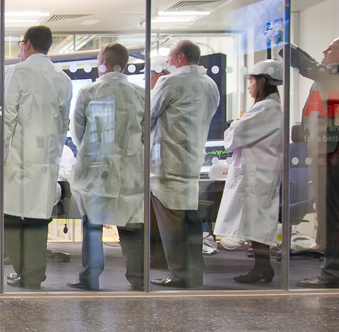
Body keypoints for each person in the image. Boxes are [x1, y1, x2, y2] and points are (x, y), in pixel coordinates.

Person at [0, 25, 72, 289]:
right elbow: (64, 123)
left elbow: (6, 118)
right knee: (38, 219)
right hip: (47, 160)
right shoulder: (63, 79)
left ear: (26, 44)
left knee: (11, 217)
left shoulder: (18, 72)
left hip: (19, 158)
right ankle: (34, 274)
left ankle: (23, 270)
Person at [282, 36, 339, 288]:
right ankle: (334, 271)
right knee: (329, 212)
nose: (325, 51)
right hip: (329, 151)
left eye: (331, 48)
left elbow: (311, 68)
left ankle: (335, 273)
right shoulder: (334, 77)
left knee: (333, 213)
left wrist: (285, 45)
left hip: (334, 152)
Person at [68, 43, 147, 291]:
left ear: (103, 63)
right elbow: (146, 132)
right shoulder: (141, 94)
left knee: (93, 225)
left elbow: (77, 132)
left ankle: (90, 277)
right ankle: (138, 278)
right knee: (132, 225)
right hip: (130, 171)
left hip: (96, 169)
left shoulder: (89, 91)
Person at [149, 39, 221, 289]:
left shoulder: (170, 82)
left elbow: (148, 115)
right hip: (192, 162)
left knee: (171, 225)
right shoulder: (210, 85)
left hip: (167, 163)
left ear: (180, 57)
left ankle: (179, 274)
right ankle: (194, 273)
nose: (167, 62)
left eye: (170, 57)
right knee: (191, 223)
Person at [214, 58, 284, 284]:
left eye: (252, 81)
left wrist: (234, 125)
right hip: (258, 172)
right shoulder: (267, 108)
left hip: (257, 174)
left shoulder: (267, 108)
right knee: (256, 222)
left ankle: (263, 267)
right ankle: (262, 267)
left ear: (262, 81)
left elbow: (233, 136)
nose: (249, 86)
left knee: (257, 222)